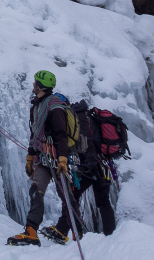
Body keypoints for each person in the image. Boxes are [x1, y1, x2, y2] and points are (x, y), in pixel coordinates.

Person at [7, 70, 81, 247]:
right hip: (43, 158)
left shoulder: (55, 107)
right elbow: (35, 134)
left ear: (40, 86)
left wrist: (63, 159)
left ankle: (80, 235)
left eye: (35, 83)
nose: (33, 85)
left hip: (56, 158)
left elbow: (61, 134)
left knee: (66, 197)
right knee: (36, 191)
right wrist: (30, 157)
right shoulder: (37, 106)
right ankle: (31, 232)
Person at [42, 100, 116, 244]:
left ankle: (63, 231)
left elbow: (87, 141)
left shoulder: (79, 117)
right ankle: (111, 235)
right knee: (103, 202)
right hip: (103, 165)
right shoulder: (87, 116)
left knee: (72, 196)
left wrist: (91, 164)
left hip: (93, 165)